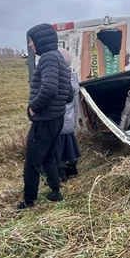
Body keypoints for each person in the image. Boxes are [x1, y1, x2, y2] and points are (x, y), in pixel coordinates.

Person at [17, 23, 73, 210]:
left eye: (31, 41)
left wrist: (33, 108)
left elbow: (49, 88)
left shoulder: (48, 58)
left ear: (40, 40)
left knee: (33, 161)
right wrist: (56, 105)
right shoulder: (59, 58)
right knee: (49, 156)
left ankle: (28, 200)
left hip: (45, 119)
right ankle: (55, 192)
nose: (31, 45)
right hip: (57, 118)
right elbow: (70, 94)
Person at [56, 48, 81, 182]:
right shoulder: (73, 79)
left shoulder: (59, 80)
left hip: (59, 121)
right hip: (69, 121)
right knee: (69, 147)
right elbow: (76, 105)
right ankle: (72, 169)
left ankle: (61, 175)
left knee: (59, 151)